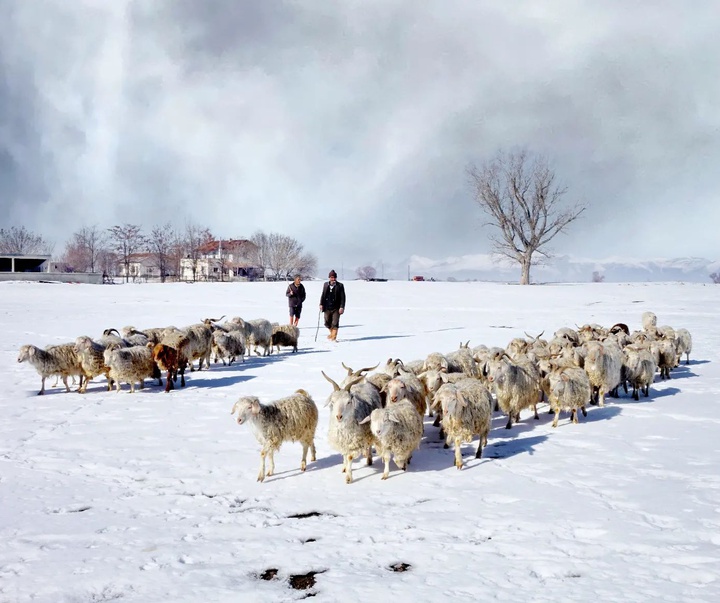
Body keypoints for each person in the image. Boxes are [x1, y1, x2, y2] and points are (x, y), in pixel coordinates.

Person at [319, 269, 346, 341]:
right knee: (327, 323)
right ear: (329, 278)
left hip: (336, 308)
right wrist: (321, 304)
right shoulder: (325, 285)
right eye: (331, 277)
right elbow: (323, 295)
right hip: (327, 307)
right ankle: (331, 334)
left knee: (335, 322)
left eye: (334, 277)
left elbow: (343, 297)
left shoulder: (340, 285)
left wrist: (342, 307)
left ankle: (334, 337)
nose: (333, 279)